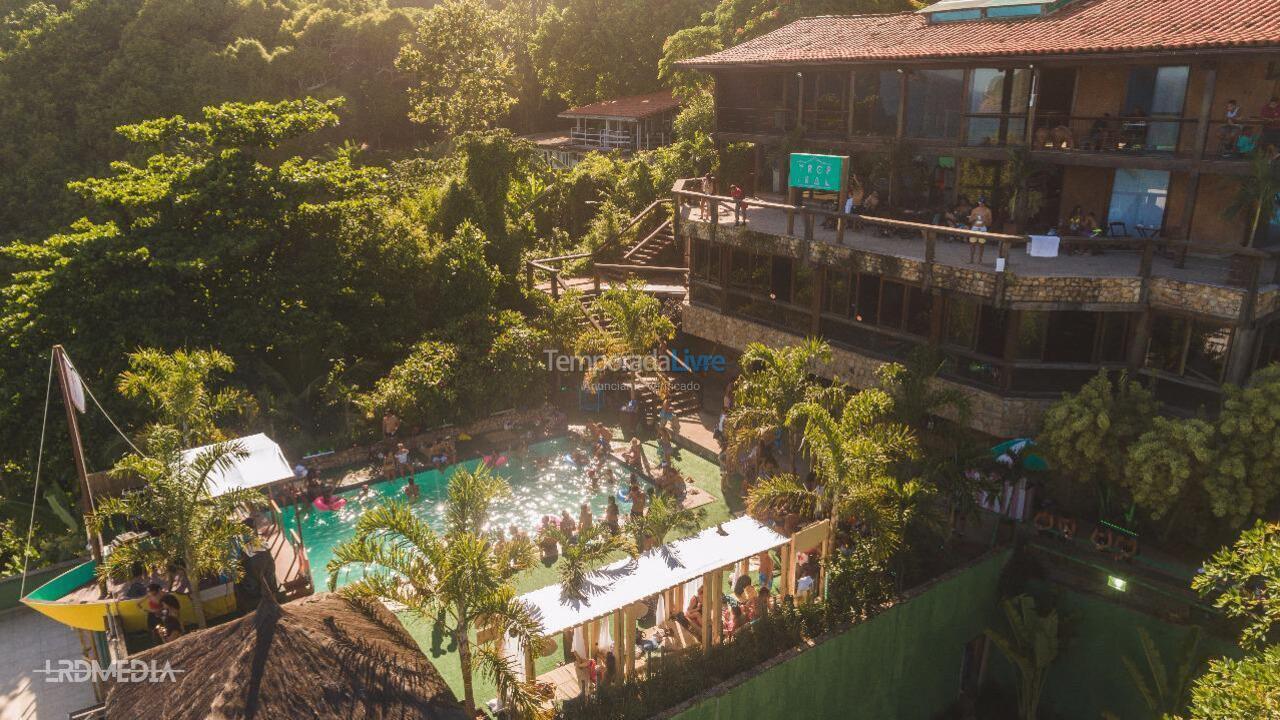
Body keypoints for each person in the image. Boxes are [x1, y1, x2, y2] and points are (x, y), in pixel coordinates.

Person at [967, 198, 992, 264]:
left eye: (983, 203)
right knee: (972, 244)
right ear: (978, 202)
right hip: (974, 227)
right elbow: (969, 221)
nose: (981, 204)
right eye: (980, 202)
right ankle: (971, 259)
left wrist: (985, 220)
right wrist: (974, 218)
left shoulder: (988, 211)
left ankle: (980, 260)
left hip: (983, 228)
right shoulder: (974, 210)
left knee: (981, 245)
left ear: (985, 203)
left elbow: (990, 222)